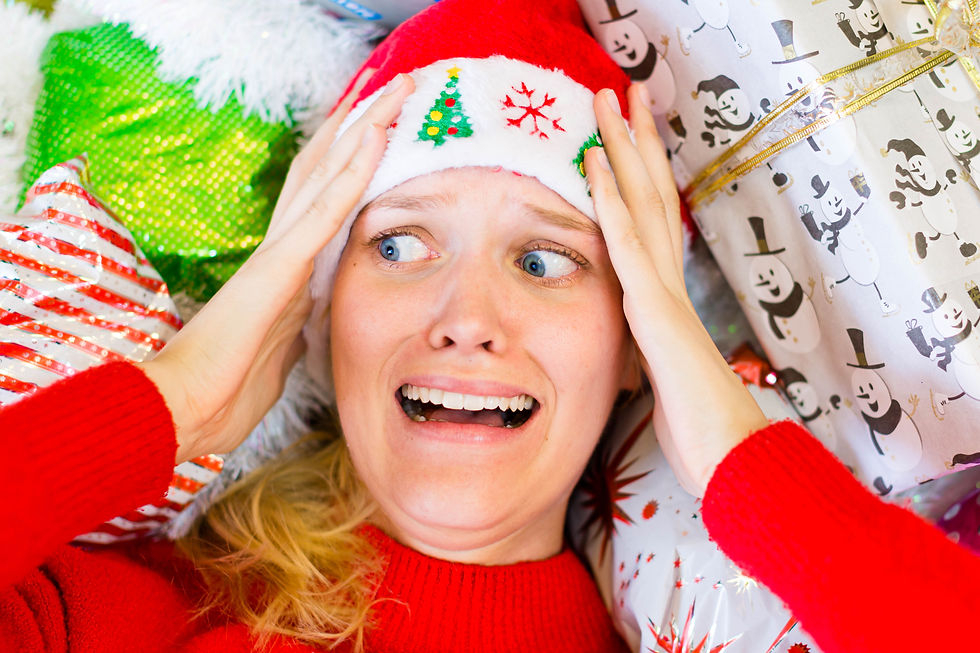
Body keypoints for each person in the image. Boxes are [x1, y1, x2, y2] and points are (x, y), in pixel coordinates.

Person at [2, 0, 978, 651]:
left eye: (544, 259)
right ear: (318, 309)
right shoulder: (142, 616)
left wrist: (734, 454)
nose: (465, 319)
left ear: (639, 339)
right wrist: (180, 397)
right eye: (395, 247)